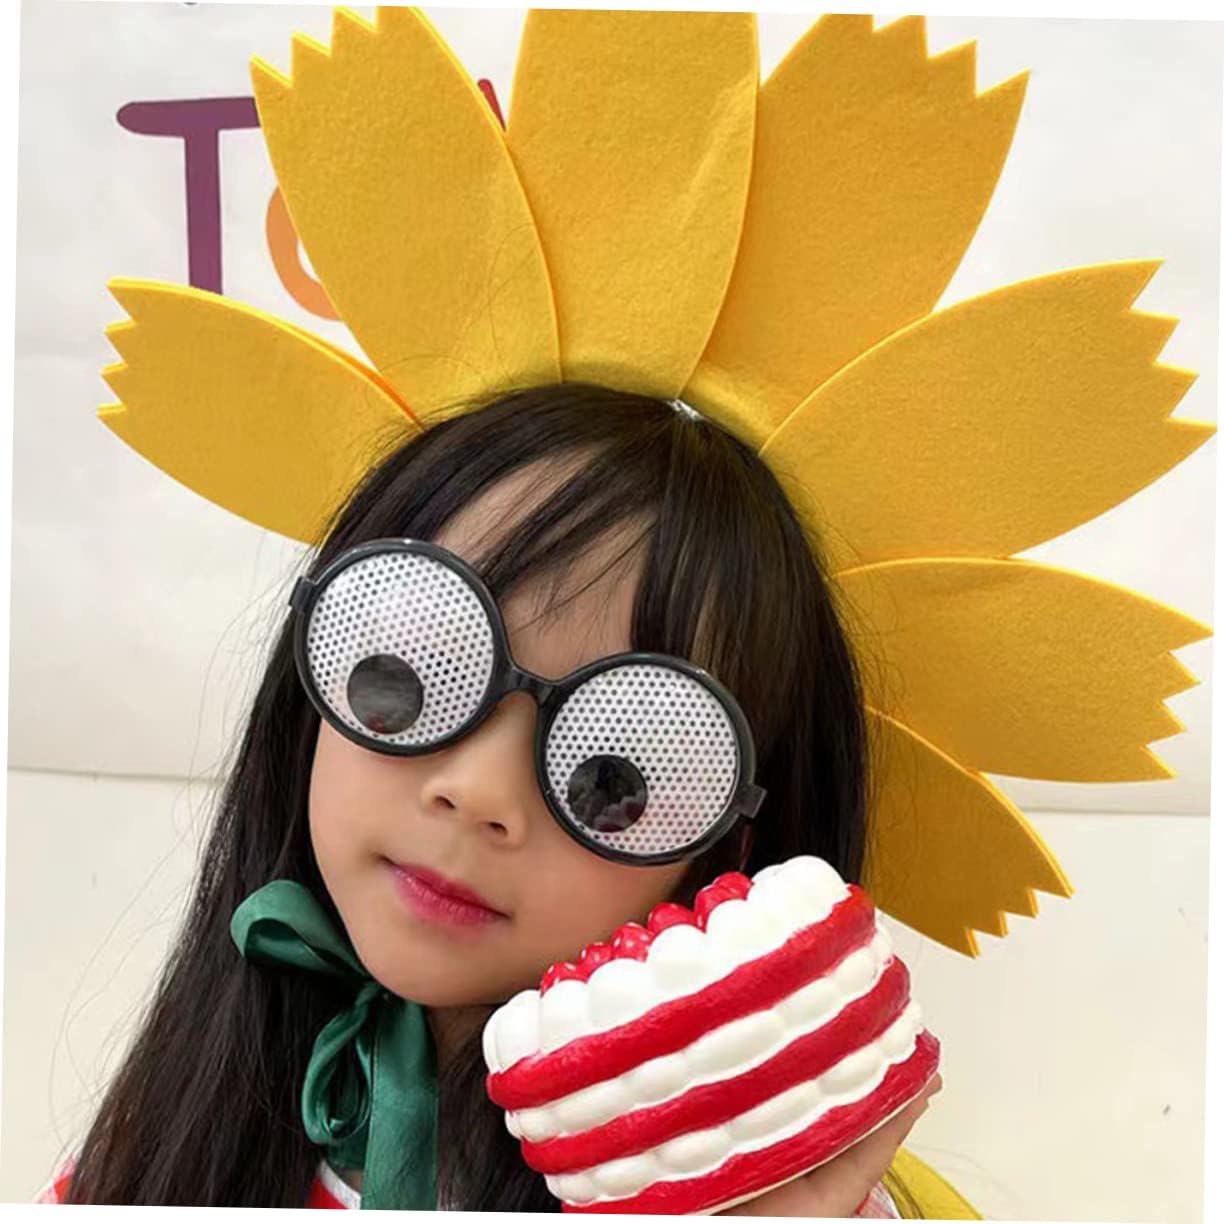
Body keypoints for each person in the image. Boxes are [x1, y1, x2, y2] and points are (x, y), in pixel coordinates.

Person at [36, 5, 1209, 1216]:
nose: (478, 793)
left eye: (617, 776)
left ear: (737, 853)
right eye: (405, 677)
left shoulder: (808, 1204)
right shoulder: (171, 1134)